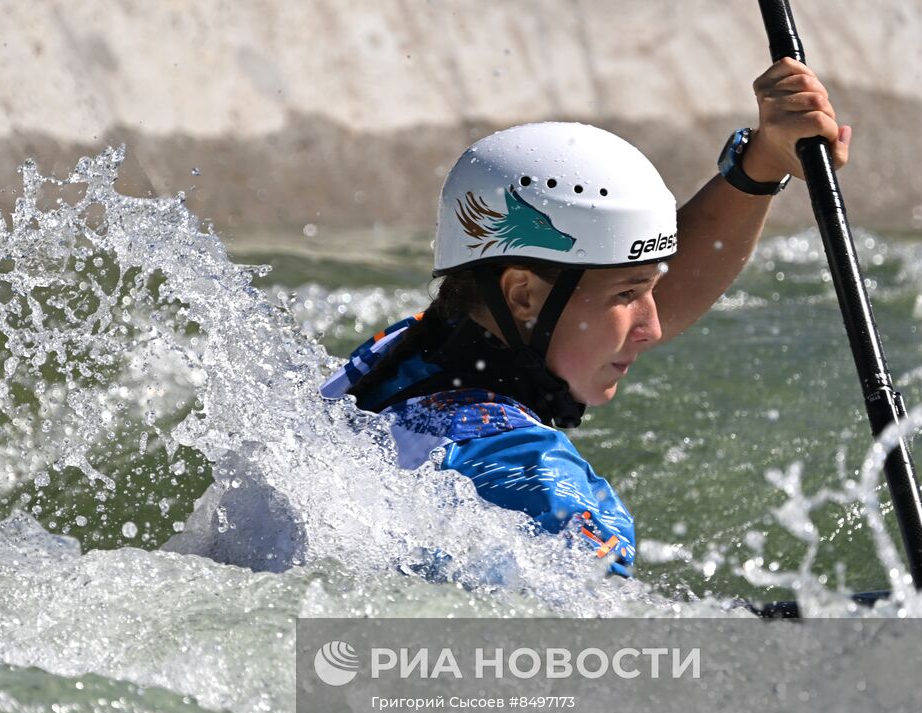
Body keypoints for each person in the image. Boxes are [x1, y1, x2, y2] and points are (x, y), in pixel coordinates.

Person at [321, 58, 851, 581]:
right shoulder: (533, 472)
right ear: (522, 295)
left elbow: (595, 295)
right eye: (628, 294)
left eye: (650, 289)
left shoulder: (401, 352)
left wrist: (761, 164)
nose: (653, 325)